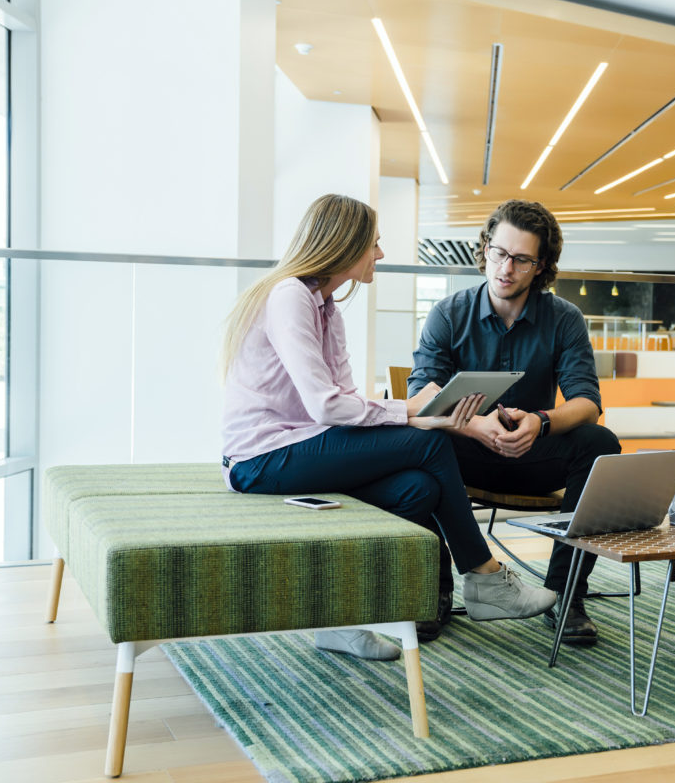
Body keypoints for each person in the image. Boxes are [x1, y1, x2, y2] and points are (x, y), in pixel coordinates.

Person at [220, 193, 556, 660]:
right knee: (430, 443)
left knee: (418, 488)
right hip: (261, 459)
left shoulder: (326, 307)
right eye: (373, 244)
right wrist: (416, 414)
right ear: (344, 244)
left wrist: (413, 409)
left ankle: (347, 617)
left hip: (304, 446)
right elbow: (325, 406)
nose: (379, 254)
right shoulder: (289, 296)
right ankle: (483, 576)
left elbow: (346, 399)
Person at [408, 199, 621, 646]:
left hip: (532, 453)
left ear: (541, 267)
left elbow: (586, 402)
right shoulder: (448, 314)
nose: (506, 268)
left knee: (600, 442)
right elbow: (420, 398)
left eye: (522, 260)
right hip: (462, 455)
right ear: (485, 247)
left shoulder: (564, 318)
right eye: (499, 253)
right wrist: (473, 425)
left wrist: (541, 422)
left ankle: (566, 594)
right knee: (417, 445)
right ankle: (433, 591)